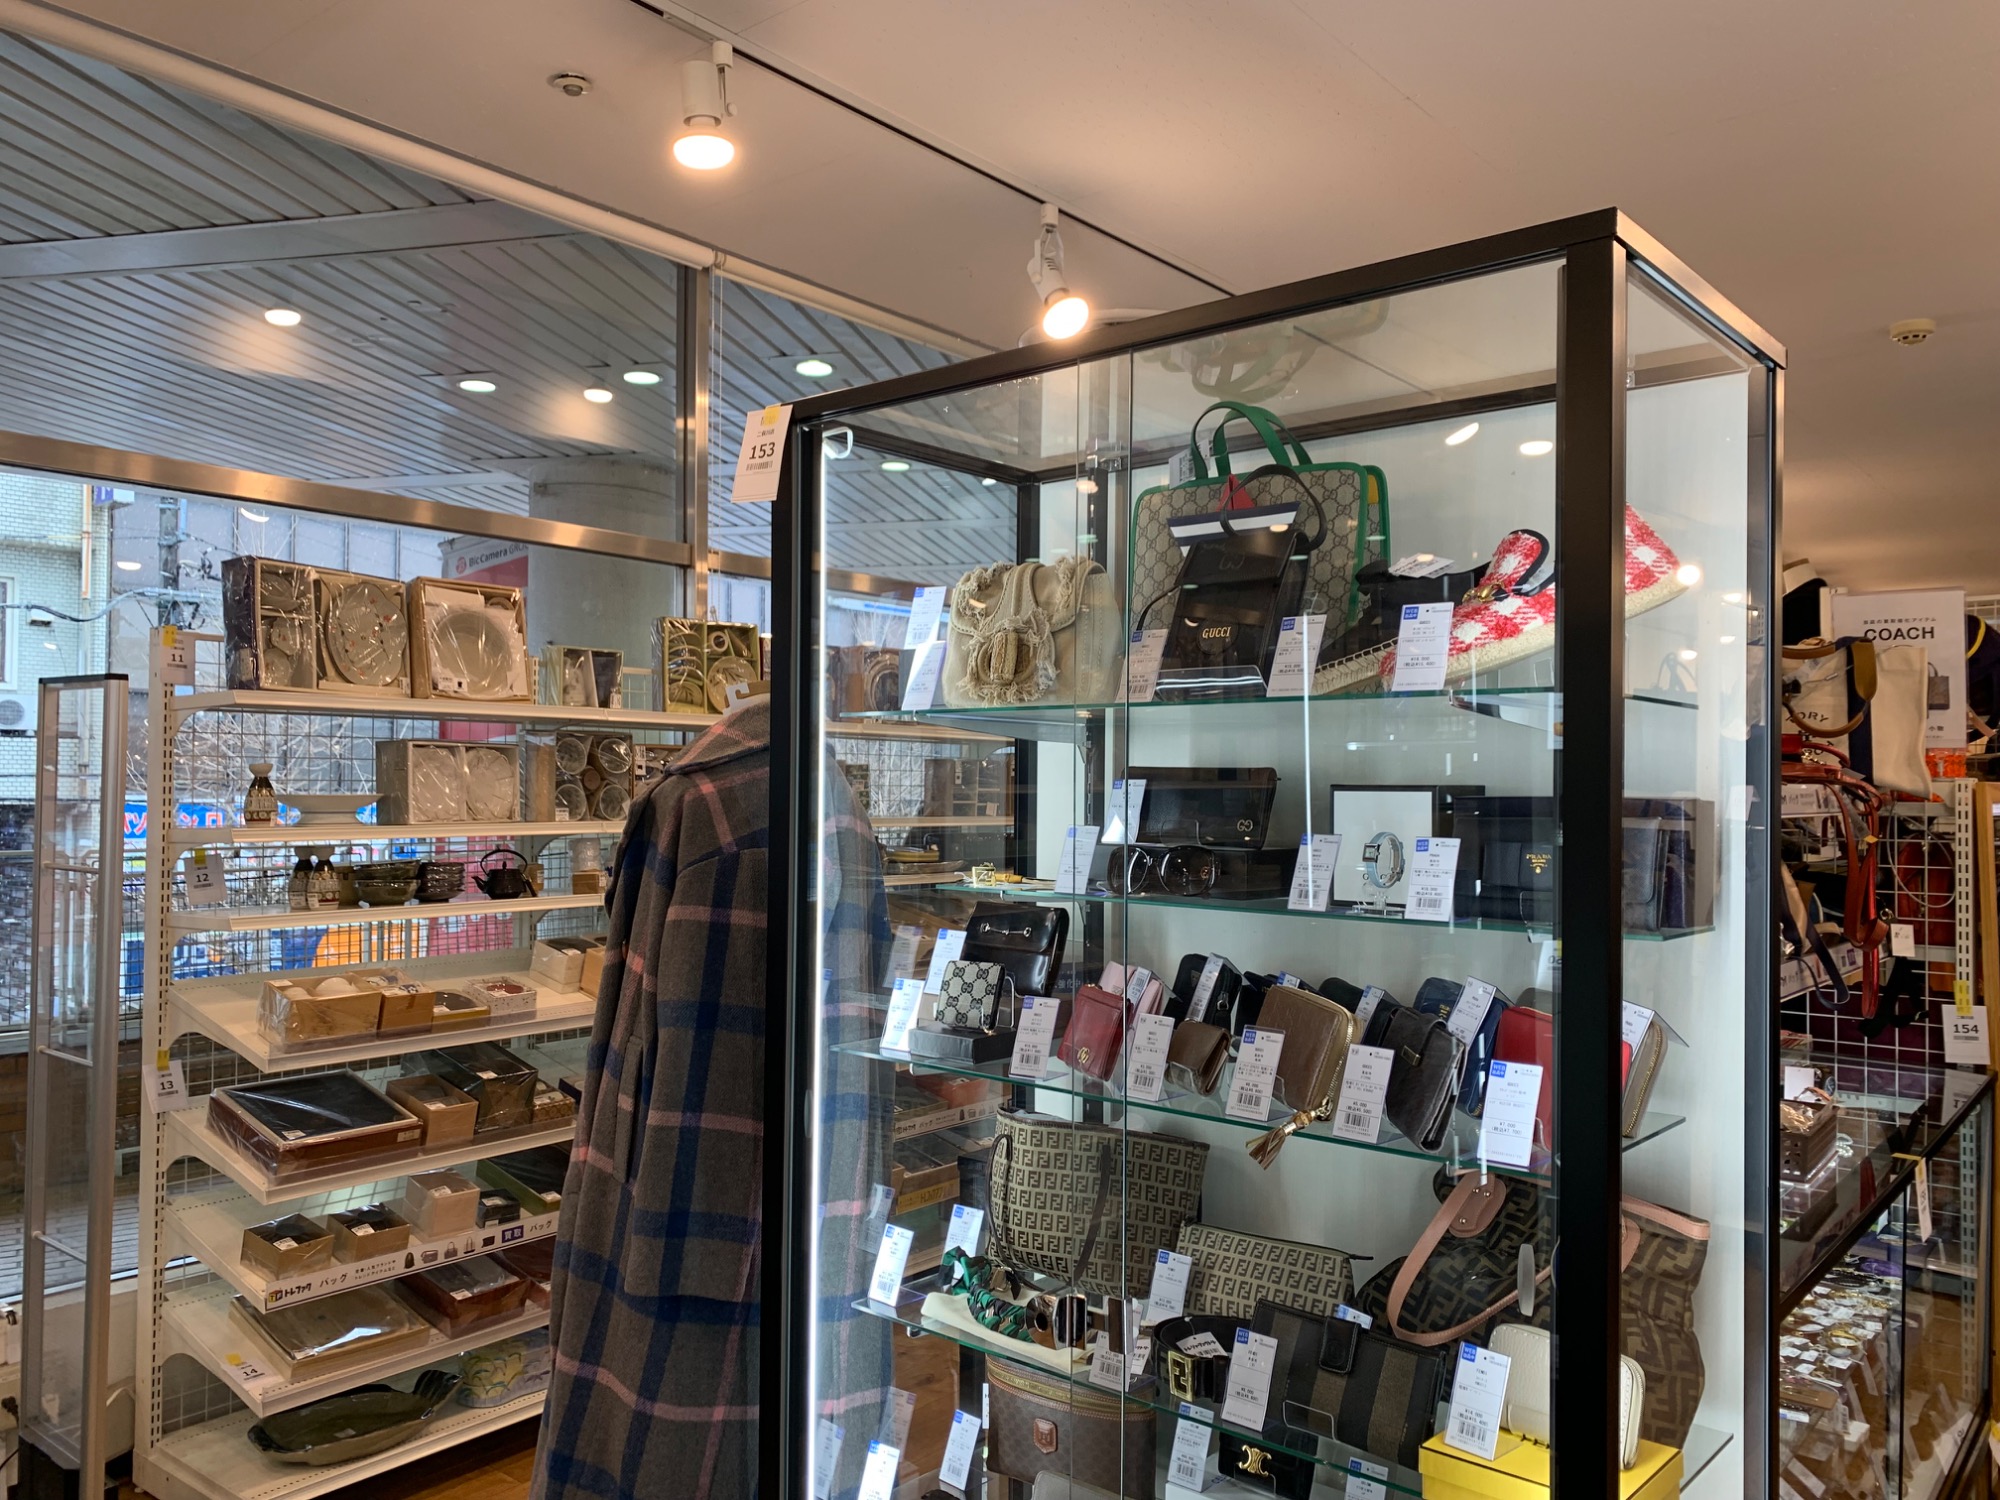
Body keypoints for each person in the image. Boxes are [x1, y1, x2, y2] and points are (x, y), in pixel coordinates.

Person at [533, 697, 891, 1500]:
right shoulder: (838, 804)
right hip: (812, 1183)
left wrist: (625, 1203)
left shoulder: (692, 802)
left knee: (655, 1430)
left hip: (685, 1188)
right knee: (800, 1423)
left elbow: (645, 1032)